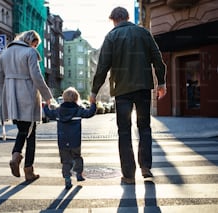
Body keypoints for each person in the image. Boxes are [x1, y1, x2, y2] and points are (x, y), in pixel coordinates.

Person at [90, 7, 167, 184]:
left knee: (124, 131)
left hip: (122, 90)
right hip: (143, 88)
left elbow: (102, 67)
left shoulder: (111, 37)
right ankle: (146, 166)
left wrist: (94, 92)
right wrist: (161, 83)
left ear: (113, 20)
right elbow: (158, 59)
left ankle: (129, 174)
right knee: (144, 127)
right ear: (127, 17)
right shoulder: (143, 33)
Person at [0, 30, 53, 182]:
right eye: (35, 44)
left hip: (12, 98)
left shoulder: (5, 53)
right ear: (31, 41)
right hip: (27, 96)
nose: (35, 47)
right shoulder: (30, 52)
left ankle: (17, 157)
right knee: (30, 134)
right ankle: (27, 168)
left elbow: (0, 79)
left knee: (23, 130)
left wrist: (4, 101)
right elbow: (36, 76)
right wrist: (48, 97)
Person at [44, 87, 97, 189]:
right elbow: (90, 113)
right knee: (77, 157)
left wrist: (47, 105)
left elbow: (49, 114)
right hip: (75, 141)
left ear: (63, 98)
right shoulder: (78, 110)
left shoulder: (58, 111)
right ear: (77, 98)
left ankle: (67, 179)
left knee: (66, 161)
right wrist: (93, 103)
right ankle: (79, 174)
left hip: (62, 141)